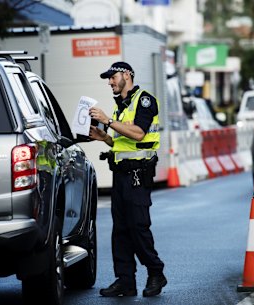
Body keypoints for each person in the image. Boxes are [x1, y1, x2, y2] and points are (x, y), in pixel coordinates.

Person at [89, 62, 167, 297]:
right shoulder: (121, 107)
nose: (110, 82)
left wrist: (108, 121)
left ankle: (156, 272)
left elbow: (139, 133)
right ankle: (125, 281)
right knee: (120, 229)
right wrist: (104, 137)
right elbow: (122, 142)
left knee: (138, 226)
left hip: (138, 174)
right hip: (121, 174)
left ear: (126, 75)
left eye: (112, 77)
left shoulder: (144, 100)